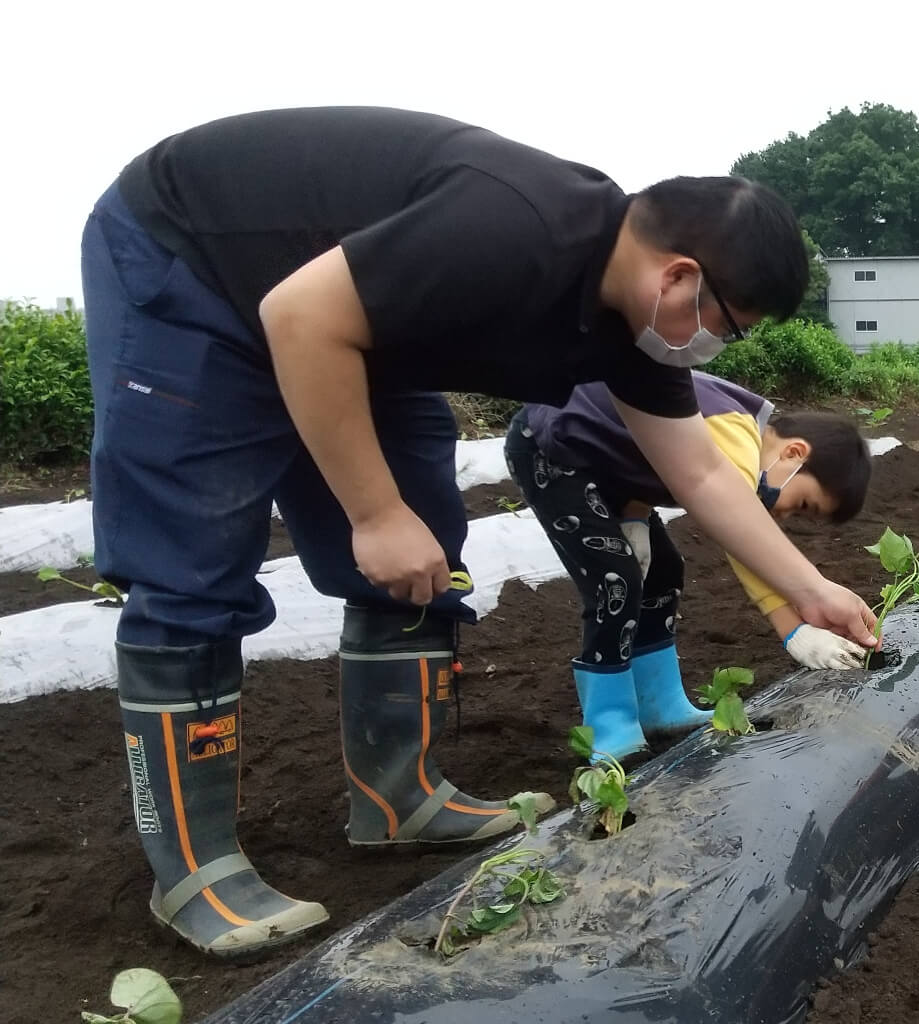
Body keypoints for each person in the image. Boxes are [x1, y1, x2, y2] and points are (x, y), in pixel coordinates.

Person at [80, 106, 877, 957]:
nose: (720, 348)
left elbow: (704, 474)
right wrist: (374, 513)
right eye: (730, 326)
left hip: (355, 327)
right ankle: (193, 869)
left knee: (429, 543)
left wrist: (810, 590)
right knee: (193, 557)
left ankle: (396, 796)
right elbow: (302, 317)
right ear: (680, 277)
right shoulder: (516, 228)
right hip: (195, 266)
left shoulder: (635, 333)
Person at [507, 372, 873, 760]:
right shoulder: (734, 431)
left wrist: (633, 516)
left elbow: (633, 450)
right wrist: (792, 629)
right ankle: (610, 727)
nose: (785, 517)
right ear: (794, 453)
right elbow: (737, 532)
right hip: (553, 451)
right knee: (618, 584)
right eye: (802, 505)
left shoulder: (730, 427)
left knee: (663, 570)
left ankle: (660, 706)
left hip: (602, 466)